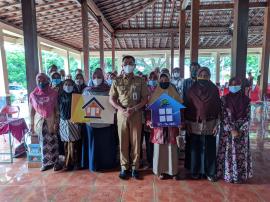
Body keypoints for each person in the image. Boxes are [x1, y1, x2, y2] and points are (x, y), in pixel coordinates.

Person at [109, 55, 149, 180]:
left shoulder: (140, 80)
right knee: (123, 141)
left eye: (131, 63)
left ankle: (135, 167)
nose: (128, 65)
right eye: (125, 63)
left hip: (136, 113)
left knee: (136, 142)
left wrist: (134, 109)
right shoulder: (116, 81)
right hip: (121, 113)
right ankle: (124, 167)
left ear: (134, 66)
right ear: (122, 65)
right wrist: (121, 109)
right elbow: (112, 98)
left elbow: (145, 99)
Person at [185, 67, 221, 182]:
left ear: (210, 77)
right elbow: (187, 106)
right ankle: (195, 172)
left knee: (209, 148)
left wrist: (217, 124)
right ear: (197, 76)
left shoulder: (214, 89)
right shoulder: (191, 90)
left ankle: (210, 172)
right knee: (195, 148)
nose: (203, 78)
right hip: (194, 124)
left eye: (206, 76)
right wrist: (187, 123)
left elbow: (218, 107)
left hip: (210, 123)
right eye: (201, 75)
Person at [147, 72, 183, 180]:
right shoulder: (154, 94)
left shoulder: (174, 93)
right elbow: (149, 111)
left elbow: (180, 109)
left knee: (171, 149)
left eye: (166, 80)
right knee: (160, 149)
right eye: (161, 80)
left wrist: (181, 121)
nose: (164, 82)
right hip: (159, 129)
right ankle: (161, 171)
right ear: (159, 81)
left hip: (172, 127)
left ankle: (173, 171)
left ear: (169, 81)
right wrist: (149, 121)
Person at [217, 77, 253, 183]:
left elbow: (248, 117)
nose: (234, 86)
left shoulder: (246, 100)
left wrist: (241, 130)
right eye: (232, 84)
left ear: (240, 86)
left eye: (236, 84)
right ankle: (227, 175)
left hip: (242, 133)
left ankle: (239, 176)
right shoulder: (224, 99)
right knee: (228, 153)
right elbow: (222, 116)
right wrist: (231, 129)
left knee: (240, 154)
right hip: (228, 133)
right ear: (229, 85)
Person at [82, 68, 118, 172]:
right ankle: (94, 164)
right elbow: (82, 106)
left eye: (99, 77)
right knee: (94, 145)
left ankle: (107, 164)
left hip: (106, 123)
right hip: (91, 124)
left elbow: (113, 104)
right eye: (94, 77)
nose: (96, 79)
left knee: (105, 144)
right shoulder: (86, 90)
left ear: (103, 78)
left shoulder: (109, 89)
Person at [29, 73, 62, 171]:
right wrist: (31, 124)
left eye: (43, 80)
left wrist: (57, 122)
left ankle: (56, 162)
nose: (41, 83)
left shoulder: (53, 93)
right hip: (40, 122)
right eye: (39, 81)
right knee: (42, 143)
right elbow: (31, 111)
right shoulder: (33, 95)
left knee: (54, 142)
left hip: (51, 121)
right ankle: (46, 163)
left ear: (47, 81)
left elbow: (57, 109)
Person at [58, 79, 81, 171]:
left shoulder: (77, 96)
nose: (68, 86)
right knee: (65, 143)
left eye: (70, 84)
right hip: (63, 121)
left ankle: (75, 162)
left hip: (74, 121)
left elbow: (81, 109)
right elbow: (57, 109)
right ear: (63, 86)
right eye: (66, 84)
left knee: (74, 143)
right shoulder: (59, 96)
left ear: (73, 85)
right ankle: (67, 163)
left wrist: (77, 119)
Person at [182, 62, 200, 170]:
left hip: (200, 114)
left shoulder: (202, 81)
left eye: (196, 69)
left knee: (199, 140)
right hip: (189, 112)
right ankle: (189, 164)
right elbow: (184, 96)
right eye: (192, 69)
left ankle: (198, 164)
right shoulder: (186, 82)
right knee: (189, 139)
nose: (194, 71)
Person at [140, 71, 158, 168]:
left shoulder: (160, 89)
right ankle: (150, 160)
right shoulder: (145, 88)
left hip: (158, 117)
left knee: (157, 139)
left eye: (155, 78)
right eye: (151, 78)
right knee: (148, 140)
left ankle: (157, 159)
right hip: (147, 117)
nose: (152, 80)